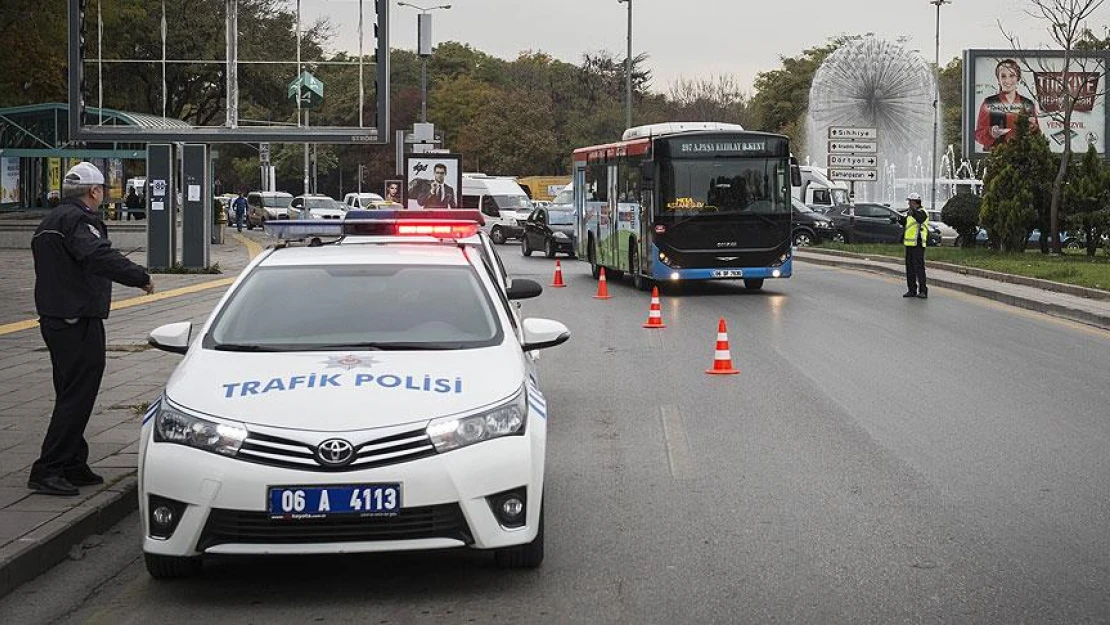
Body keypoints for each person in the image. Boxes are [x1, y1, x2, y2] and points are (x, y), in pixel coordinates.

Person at [29, 162, 155, 496]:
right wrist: (140, 277)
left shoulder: (50, 221)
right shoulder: (79, 221)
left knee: (69, 391)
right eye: (102, 191)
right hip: (76, 319)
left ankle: (72, 461)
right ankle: (49, 468)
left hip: (56, 318)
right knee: (77, 395)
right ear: (94, 191)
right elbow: (98, 256)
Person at [974, 59, 1040, 151]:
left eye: (1012, 76)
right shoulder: (989, 103)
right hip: (996, 157)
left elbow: (1037, 136)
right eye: (1003, 76)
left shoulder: (1027, 104)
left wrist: (1033, 127)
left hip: (1021, 157)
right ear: (998, 80)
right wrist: (991, 132)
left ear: (1018, 79)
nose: (1007, 80)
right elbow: (978, 135)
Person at [898, 192, 930, 299]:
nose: (908, 203)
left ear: (914, 202)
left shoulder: (923, 212)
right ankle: (911, 290)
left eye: (910, 201)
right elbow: (907, 224)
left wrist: (913, 213)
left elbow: (920, 219)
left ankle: (923, 290)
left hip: (919, 244)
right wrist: (899, 218)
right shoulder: (910, 213)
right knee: (910, 268)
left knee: (919, 268)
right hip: (909, 244)